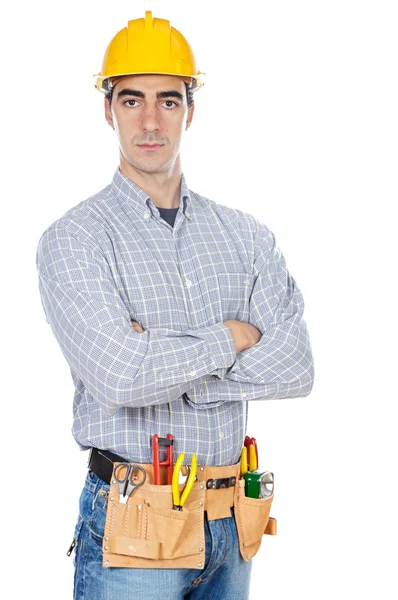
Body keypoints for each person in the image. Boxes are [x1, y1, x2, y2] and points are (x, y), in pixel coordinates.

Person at [35, 10, 314, 600]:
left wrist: (166, 361)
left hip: (233, 518)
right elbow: (120, 375)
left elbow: (296, 367)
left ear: (192, 108)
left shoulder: (245, 235)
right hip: (134, 524)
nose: (151, 120)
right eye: (132, 100)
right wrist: (231, 338)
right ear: (107, 109)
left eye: (168, 100)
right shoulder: (76, 238)